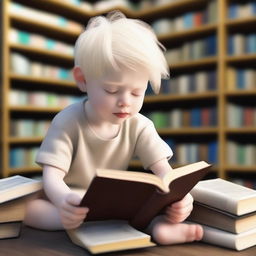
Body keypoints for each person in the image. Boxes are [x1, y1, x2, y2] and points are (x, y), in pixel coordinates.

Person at [24, 11, 203, 245]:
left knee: (147, 202)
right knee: (31, 210)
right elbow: (52, 178)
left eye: (137, 92)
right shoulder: (67, 121)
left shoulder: (139, 124)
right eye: (112, 90)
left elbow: (166, 175)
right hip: (73, 199)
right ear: (83, 80)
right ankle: (127, 225)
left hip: (113, 202)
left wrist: (181, 198)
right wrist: (64, 199)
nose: (125, 102)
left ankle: (157, 227)